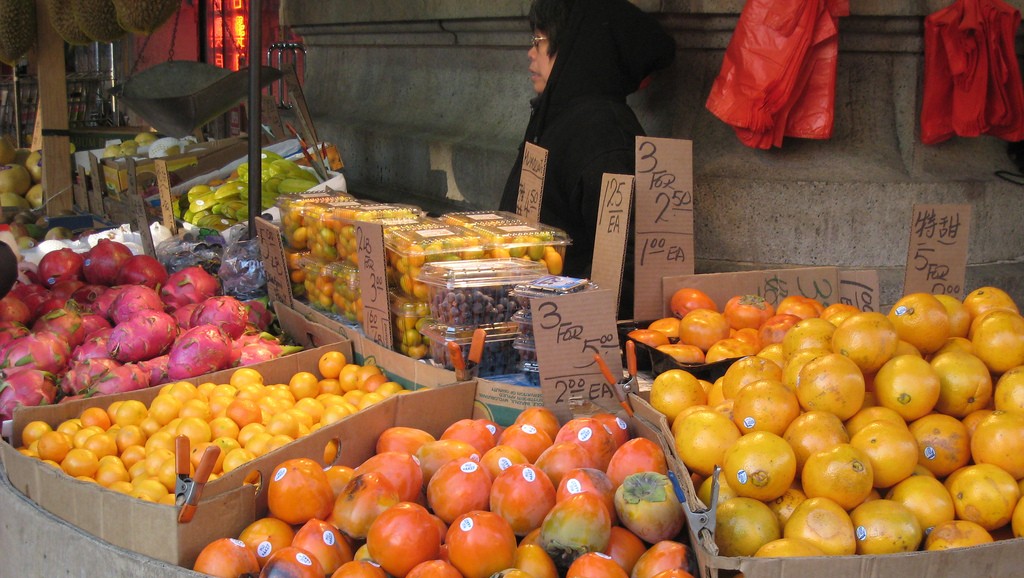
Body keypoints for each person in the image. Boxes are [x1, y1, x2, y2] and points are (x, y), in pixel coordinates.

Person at [498, 0, 675, 319]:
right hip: (535, 317)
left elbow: (626, 261)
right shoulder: (557, 117)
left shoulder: (602, 133)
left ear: (575, 48)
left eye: (539, 40)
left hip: (568, 331)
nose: (531, 52)